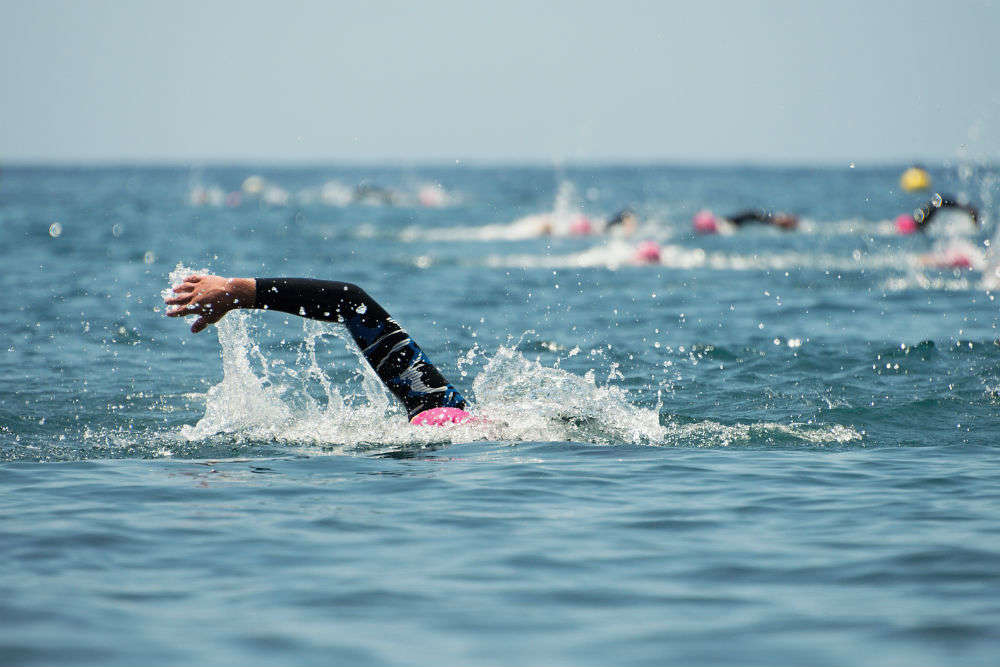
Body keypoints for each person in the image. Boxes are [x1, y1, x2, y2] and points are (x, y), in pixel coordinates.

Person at [164, 274, 472, 426]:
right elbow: (351, 303)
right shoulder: (445, 415)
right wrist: (239, 292)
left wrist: (240, 292)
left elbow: (351, 303)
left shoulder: (442, 416)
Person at [895, 193, 979, 234]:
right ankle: (967, 208)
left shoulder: (920, 222)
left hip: (918, 223)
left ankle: (968, 208)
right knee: (936, 203)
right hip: (917, 223)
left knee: (936, 203)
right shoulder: (918, 222)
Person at [693, 209, 798, 234]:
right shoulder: (724, 226)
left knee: (752, 215)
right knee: (752, 216)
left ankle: (781, 220)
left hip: (727, 224)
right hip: (727, 224)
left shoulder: (724, 225)